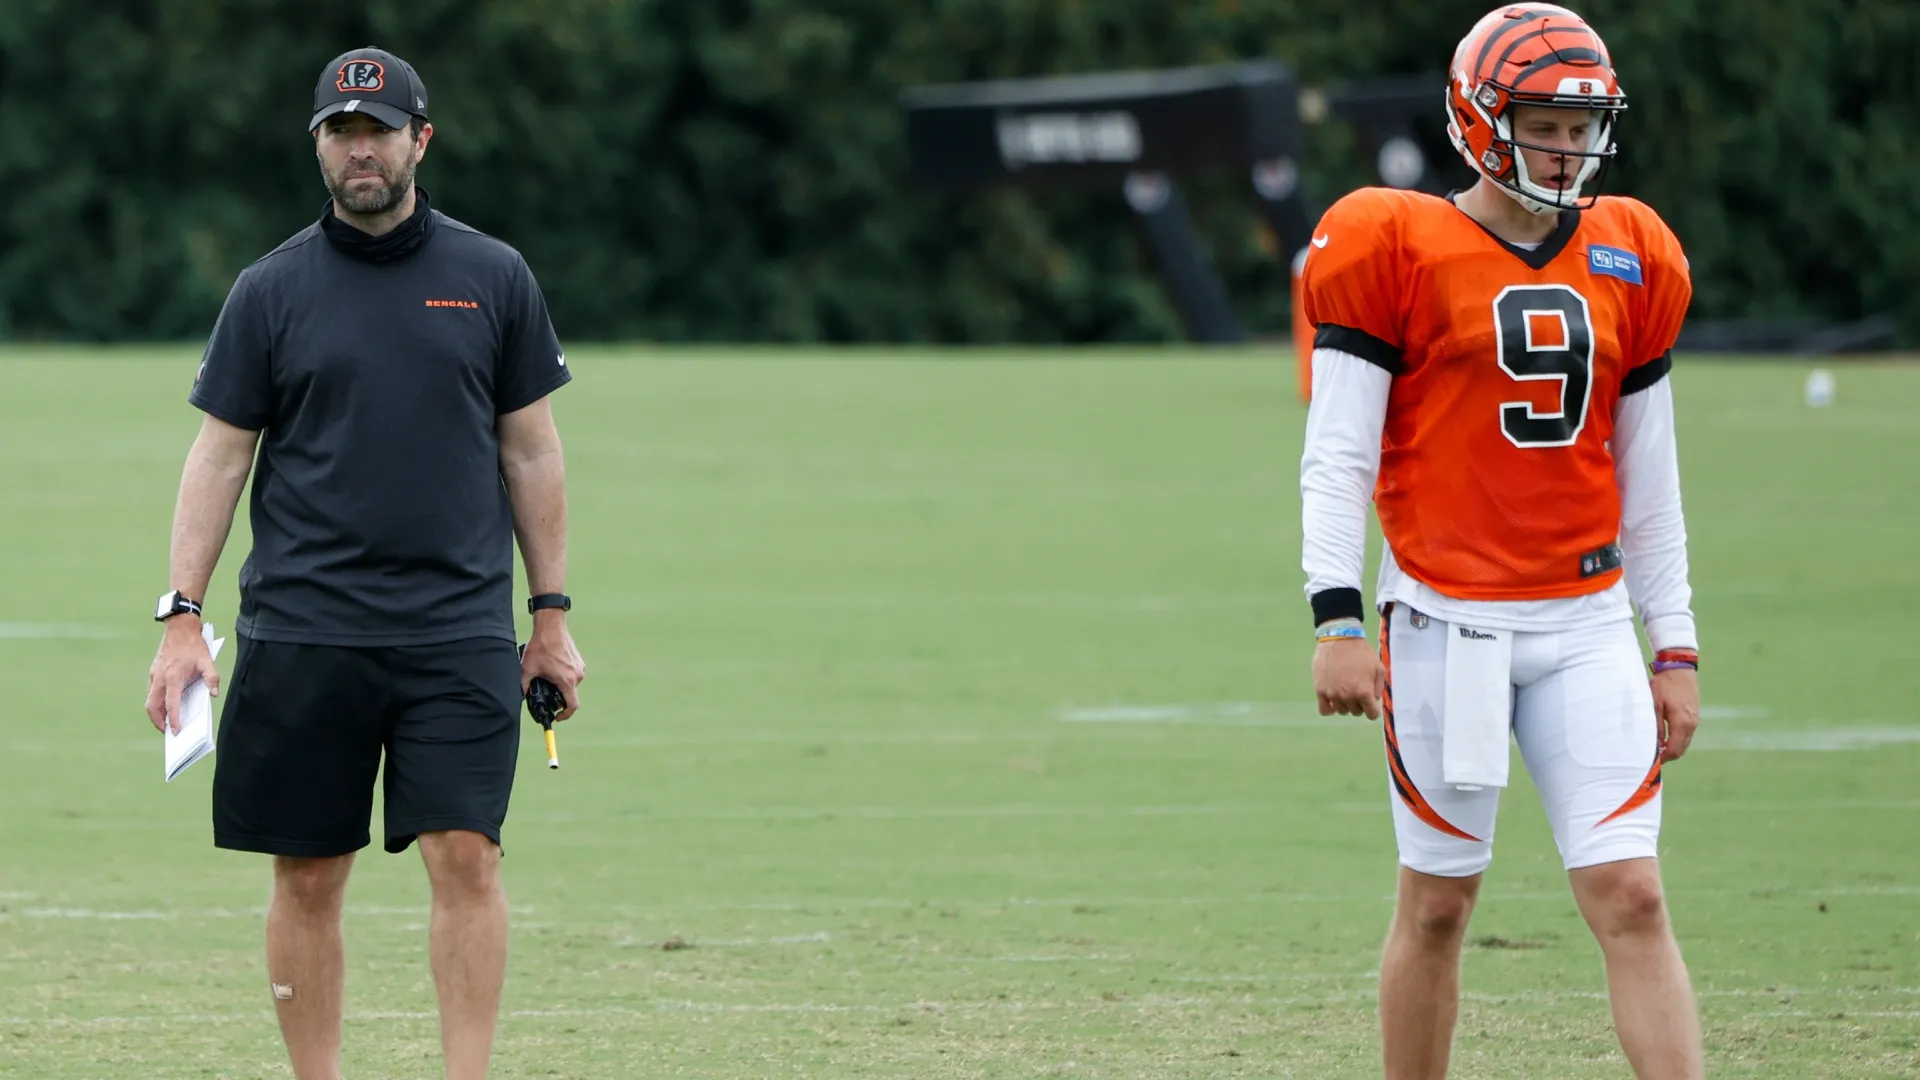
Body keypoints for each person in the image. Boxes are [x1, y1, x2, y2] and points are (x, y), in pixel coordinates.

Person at [143, 46, 586, 1080]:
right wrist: (180, 619)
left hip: (456, 630)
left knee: (467, 856)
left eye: (378, 131)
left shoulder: (493, 277)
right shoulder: (269, 290)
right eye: (340, 133)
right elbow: (220, 456)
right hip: (305, 630)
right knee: (307, 876)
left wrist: (551, 617)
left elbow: (531, 451)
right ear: (319, 148)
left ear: (419, 140)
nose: (360, 151)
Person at [1297, 5, 1705, 1078]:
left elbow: (1650, 479)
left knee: (1634, 893)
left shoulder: (1630, 250)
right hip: (1447, 622)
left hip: (1587, 622)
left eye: (1581, 128)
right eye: (1544, 126)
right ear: (1481, 120)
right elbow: (1337, 454)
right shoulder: (1395, 243)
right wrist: (1336, 616)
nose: (1566, 150)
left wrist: (1673, 644)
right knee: (1437, 905)